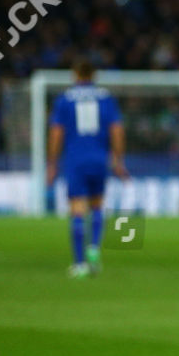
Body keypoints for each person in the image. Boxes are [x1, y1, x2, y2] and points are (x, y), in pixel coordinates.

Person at [46, 60, 126, 278]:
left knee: (77, 209)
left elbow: (56, 132)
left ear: (75, 74)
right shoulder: (106, 98)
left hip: (76, 160)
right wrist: (118, 160)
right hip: (100, 159)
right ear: (94, 75)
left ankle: (80, 264)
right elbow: (117, 129)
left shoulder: (65, 99)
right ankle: (94, 248)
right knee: (98, 205)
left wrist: (52, 163)